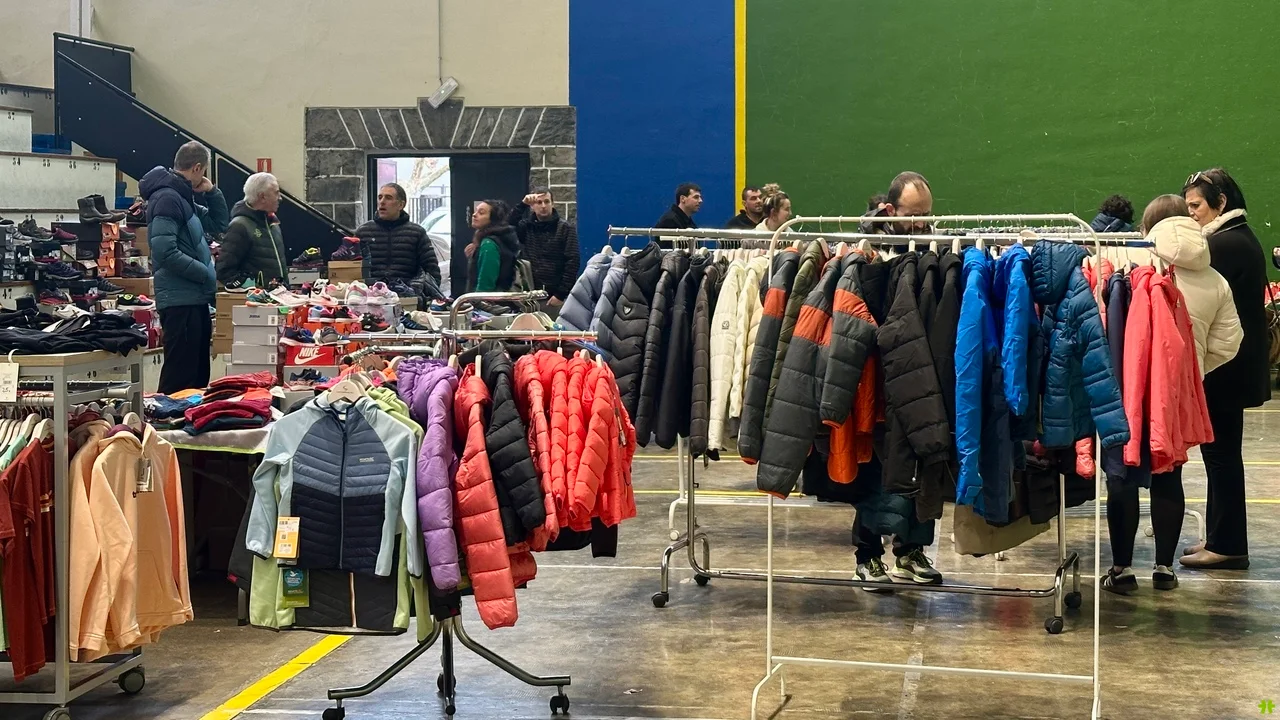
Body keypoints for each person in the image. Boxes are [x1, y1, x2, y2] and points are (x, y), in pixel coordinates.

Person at [1103, 195, 1241, 594]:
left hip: (1126, 386)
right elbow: (1230, 341)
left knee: (1122, 475)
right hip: (1178, 394)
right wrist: (1191, 371)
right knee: (1169, 472)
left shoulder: (1123, 262)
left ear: (1146, 227)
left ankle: (1121, 570)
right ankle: (1164, 566)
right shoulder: (1215, 278)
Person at [855, 171, 943, 592]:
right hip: (876, 375)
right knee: (877, 470)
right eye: (914, 215)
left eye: (927, 214)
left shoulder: (934, 245)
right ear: (889, 210)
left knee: (921, 463)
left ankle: (911, 551)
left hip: (919, 368)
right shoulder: (864, 251)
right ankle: (867, 556)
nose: (923, 223)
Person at [1179, 168, 1270, 570]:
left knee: (1221, 457)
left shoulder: (1223, 244)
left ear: (1220, 202)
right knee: (1221, 455)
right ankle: (1220, 537)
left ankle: (1228, 545)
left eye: (1196, 205)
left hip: (1226, 369)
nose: (1191, 213)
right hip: (1235, 367)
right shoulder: (1238, 238)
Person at [139, 141, 228, 394]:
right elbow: (164, 252)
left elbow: (218, 224)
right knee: (180, 379)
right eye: (204, 172)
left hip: (194, 298)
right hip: (180, 302)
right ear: (197, 168)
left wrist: (212, 192)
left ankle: (188, 420)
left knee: (197, 378)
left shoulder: (181, 197)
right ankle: (165, 419)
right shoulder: (168, 199)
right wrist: (204, 273)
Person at [354, 183, 442, 297]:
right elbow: (351, 269)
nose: (382, 202)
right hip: (370, 298)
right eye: (380, 197)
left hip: (406, 297)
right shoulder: (363, 232)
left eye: (388, 198)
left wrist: (420, 296)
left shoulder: (416, 233)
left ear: (401, 205)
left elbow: (432, 272)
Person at [508, 188, 579, 308]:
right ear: (532, 206)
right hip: (529, 295)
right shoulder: (527, 227)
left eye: (547, 201)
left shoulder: (565, 228)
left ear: (553, 203)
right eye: (539, 202)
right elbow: (509, 225)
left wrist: (560, 294)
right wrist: (522, 205)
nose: (543, 206)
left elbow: (573, 261)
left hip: (554, 297)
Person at [216, 172, 288, 290]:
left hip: (278, 298)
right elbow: (224, 271)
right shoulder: (239, 226)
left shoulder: (273, 223)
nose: (280, 198)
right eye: (276, 193)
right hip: (258, 300)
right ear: (262, 196)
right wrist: (251, 289)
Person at [466, 199, 520, 293]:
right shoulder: (501, 238)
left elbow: (485, 286)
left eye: (481, 213)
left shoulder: (489, 245)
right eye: (476, 211)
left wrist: (476, 300)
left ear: (493, 219)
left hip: (488, 300)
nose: (474, 215)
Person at [860, 171, 933, 235]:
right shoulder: (868, 240)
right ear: (890, 210)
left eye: (925, 215)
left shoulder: (934, 237)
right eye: (913, 217)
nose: (921, 225)